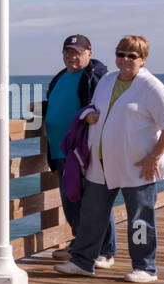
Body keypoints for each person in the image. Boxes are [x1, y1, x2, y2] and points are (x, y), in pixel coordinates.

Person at [56, 35, 164, 282]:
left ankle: (145, 267)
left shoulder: (151, 87)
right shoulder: (106, 80)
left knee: (139, 219)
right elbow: (95, 107)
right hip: (101, 162)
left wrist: (154, 157)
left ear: (143, 60)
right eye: (121, 54)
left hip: (138, 165)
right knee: (93, 214)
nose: (125, 60)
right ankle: (83, 261)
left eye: (132, 56)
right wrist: (89, 114)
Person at [32, 35, 113, 265]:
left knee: (95, 201)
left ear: (89, 52)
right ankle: (82, 245)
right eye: (68, 52)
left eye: (77, 52)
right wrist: (42, 108)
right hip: (61, 151)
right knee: (72, 201)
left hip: (84, 151)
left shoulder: (96, 76)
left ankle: (105, 251)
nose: (72, 57)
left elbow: (102, 109)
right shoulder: (61, 76)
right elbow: (66, 103)